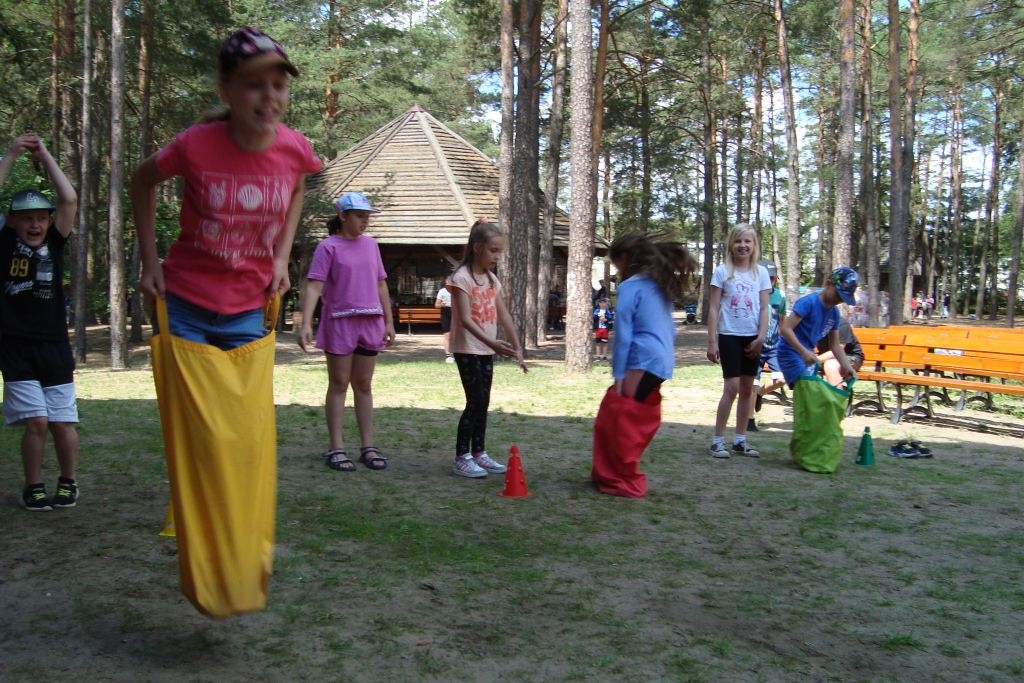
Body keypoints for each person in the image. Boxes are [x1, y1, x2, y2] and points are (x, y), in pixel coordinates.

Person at [130, 28, 320, 615]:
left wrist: (283, 256)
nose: (270, 97)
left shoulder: (294, 148)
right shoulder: (196, 145)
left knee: (241, 438)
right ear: (227, 91)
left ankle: (237, 556)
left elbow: (296, 189)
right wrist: (148, 261)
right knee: (198, 437)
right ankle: (196, 541)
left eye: (278, 85)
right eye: (255, 85)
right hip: (185, 302)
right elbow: (140, 182)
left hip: (244, 310)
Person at [0, 133, 79, 511]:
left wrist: (45, 154)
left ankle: (68, 482)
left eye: (40, 218)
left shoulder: (56, 242)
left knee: (62, 423)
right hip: (15, 345)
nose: (34, 225)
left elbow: (69, 199)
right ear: (13, 221)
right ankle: (33, 485)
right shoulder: (4, 242)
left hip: (54, 345)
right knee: (37, 422)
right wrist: (12, 154)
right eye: (26, 219)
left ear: (49, 221)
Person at [591, 233, 696, 497]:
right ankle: (615, 470)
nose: (617, 273)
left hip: (642, 358)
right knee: (629, 416)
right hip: (662, 360)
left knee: (623, 417)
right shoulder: (658, 285)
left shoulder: (630, 287)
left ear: (625, 260)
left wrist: (619, 373)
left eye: (616, 266)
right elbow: (668, 328)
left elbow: (625, 333)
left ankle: (621, 476)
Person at [298, 192, 395, 471]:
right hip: (339, 322)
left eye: (366, 217)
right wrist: (305, 323)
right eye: (359, 216)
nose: (364, 222)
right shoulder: (328, 247)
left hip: (370, 321)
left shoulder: (371, 246)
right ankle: (336, 447)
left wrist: (389, 322)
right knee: (339, 384)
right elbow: (315, 285)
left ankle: (368, 446)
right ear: (343, 216)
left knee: (363, 385)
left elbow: (380, 285)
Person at [446, 220, 527, 478]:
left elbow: (503, 315)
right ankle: (462, 456)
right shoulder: (461, 279)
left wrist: (517, 348)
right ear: (477, 247)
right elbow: (466, 320)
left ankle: (479, 453)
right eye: (493, 250)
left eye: (499, 251)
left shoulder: (491, 280)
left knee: (484, 401)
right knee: (475, 400)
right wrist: (493, 343)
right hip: (467, 349)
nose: (497, 256)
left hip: (485, 351)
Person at [706, 224, 770, 458]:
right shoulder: (722, 272)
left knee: (747, 389)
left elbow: (765, 308)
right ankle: (717, 440)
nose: (743, 246)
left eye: (747, 242)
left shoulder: (761, 273)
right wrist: (712, 341)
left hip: (752, 337)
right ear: (731, 245)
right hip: (729, 334)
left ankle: (740, 440)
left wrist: (761, 337)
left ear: (754, 246)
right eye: (738, 241)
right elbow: (713, 309)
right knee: (731, 388)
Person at [777, 267, 859, 389]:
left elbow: (835, 345)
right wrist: (803, 352)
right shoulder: (808, 303)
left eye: (842, 299)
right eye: (837, 295)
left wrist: (847, 366)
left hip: (808, 356)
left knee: (810, 395)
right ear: (828, 284)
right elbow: (786, 329)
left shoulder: (834, 313)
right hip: (790, 353)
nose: (838, 301)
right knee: (808, 389)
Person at [747, 260, 786, 432]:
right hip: (756, 344)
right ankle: (749, 421)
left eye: (773, 278)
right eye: (766, 278)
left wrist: (785, 341)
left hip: (775, 345)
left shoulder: (780, 296)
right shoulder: (752, 295)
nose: (770, 281)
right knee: (751, 384)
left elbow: (782, 321)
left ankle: (760, 394)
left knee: (782, 379)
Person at [816, 317, 865, 386]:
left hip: (850, 358)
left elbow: (839, 349)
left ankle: (835, 395)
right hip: (825, 358)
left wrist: (815, 360)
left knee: (830, 365)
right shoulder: (814, 324)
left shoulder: (841, 323)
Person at [434, 281, 454, 363]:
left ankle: (456, 354)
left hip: (456, 314)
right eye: (447, 283)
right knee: (447, 336)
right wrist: (444, 304)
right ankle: (448, 355)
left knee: (457, 336)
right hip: (446, 314)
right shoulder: (442, 291)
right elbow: (436, 305)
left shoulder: (457, 290)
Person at [592, 296, 614, 361]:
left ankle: (604, 356)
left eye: (604, 303)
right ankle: (598, 356)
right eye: (601, 303)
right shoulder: (596, 311)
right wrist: (598, 317)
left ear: (606, 304)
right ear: (599, 304)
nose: (603, 304)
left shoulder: (607, 311)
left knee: (605, 342)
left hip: (605, 329)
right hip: (598, 328)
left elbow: (610, 319)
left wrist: (605, 319)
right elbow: (594, 318)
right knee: (598, 342)